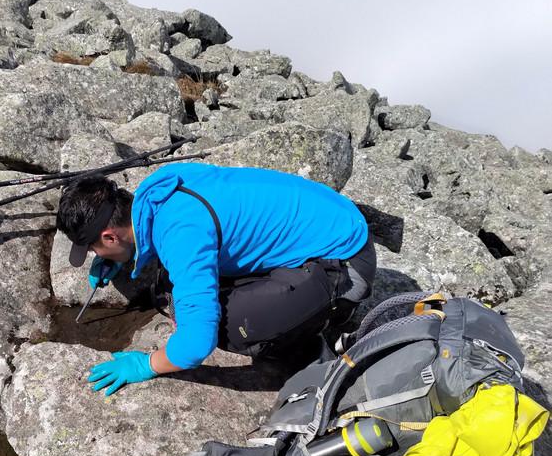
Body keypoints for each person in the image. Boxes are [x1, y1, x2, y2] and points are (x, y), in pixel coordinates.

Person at [55, 162, 376, 396]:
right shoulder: (157, 194)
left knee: (221, 324)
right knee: (175, 289)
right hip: (327, 222)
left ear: (111, 237)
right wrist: (124, 260)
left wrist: (146, 364)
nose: (97, 256)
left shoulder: (181, 234)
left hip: (345, 265)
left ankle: (318, 347)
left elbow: (196, 345)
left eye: (95, 248)